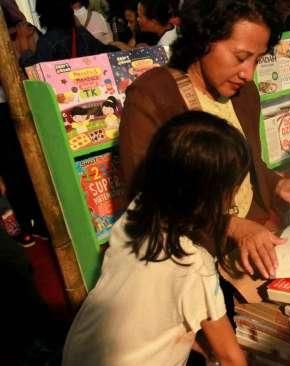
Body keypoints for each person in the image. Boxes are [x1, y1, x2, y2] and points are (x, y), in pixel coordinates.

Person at [119, 0, 290, 302]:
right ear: (203, 40)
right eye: (240, 57)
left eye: (258, 60)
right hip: (195, 254)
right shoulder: (153, 95)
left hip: (253, 239)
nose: (248, 73)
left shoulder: (244, 94)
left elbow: (248, 162)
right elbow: (147, 197)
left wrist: (276, 184)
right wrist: (232, 225)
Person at [62, 111, 249, 366]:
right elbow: (231, 358)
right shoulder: (194, 266)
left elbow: (156, 316)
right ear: (214, 197)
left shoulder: (134, 215)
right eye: (233, 189)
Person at [16, 0, 112, 68]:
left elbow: (32, 71)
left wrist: (23, 40)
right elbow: (107, 53)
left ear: (45, 15)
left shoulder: (48, 41)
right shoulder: (81, 33)